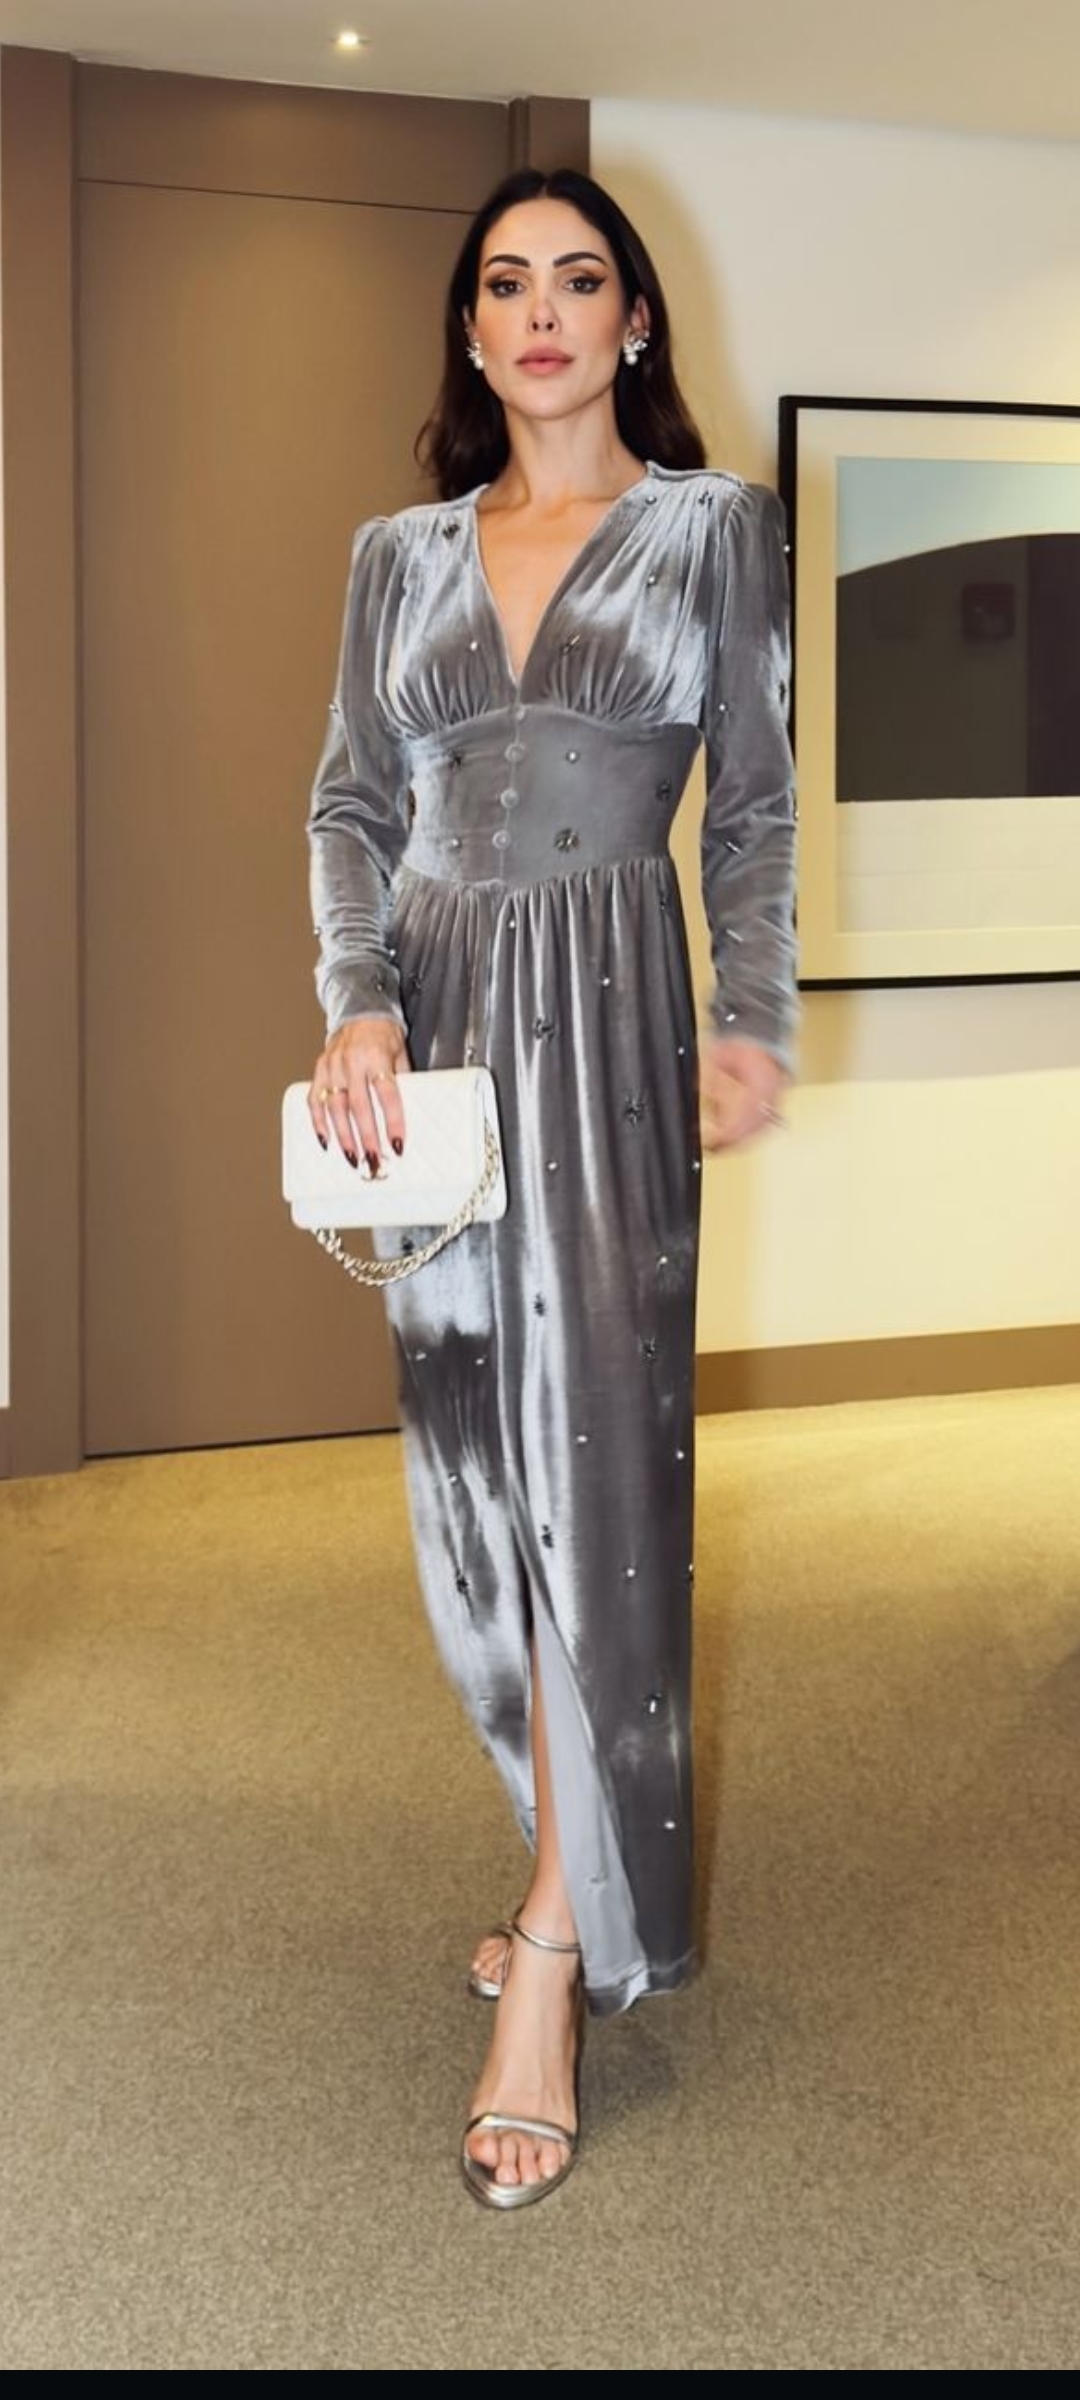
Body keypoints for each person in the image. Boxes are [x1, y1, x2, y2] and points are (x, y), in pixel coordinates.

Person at [305, 166, 797, 2210]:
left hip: (604, 1021)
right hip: (430, 1040)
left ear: (632, 321)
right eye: (505, 283)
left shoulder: (713, 528)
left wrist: (750, 1015)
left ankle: (559, 1948)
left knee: (596, 1470)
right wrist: (354, 1002)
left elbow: (752, 807)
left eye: (578, 281)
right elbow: (349, 803)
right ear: (472, 325)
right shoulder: (395, 555)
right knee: (475, 1478)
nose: (540, 313)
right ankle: (564, 1857)